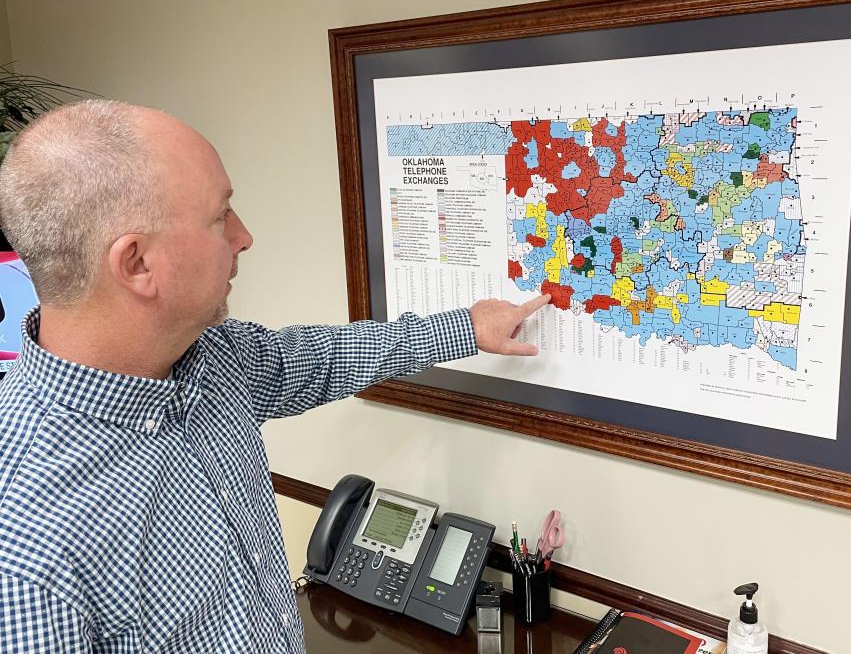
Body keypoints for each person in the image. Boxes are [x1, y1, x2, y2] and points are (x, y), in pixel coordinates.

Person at [0, 100, 550, 653]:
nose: (244, 237)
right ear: (137, 263)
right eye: (221, 216)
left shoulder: (211, 359)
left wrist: (465, 327)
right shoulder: (25, 545)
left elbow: (324, 358)